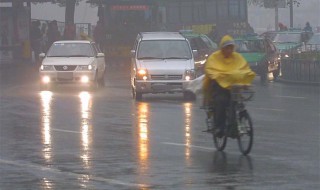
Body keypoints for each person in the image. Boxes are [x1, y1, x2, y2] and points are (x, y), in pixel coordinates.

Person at [203, 35, 256, 137]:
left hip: (234, 87)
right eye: (227, 48)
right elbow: (211, 70)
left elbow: (244, 68)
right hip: (219, 87)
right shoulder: (214, 57)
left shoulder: (237, 57)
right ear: (222, 48)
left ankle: (233, 127)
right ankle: (219, 127)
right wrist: (220, 77)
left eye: (231, 48)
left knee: (235, 102)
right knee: (221, 102)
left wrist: (244, 78)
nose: (229, 50)